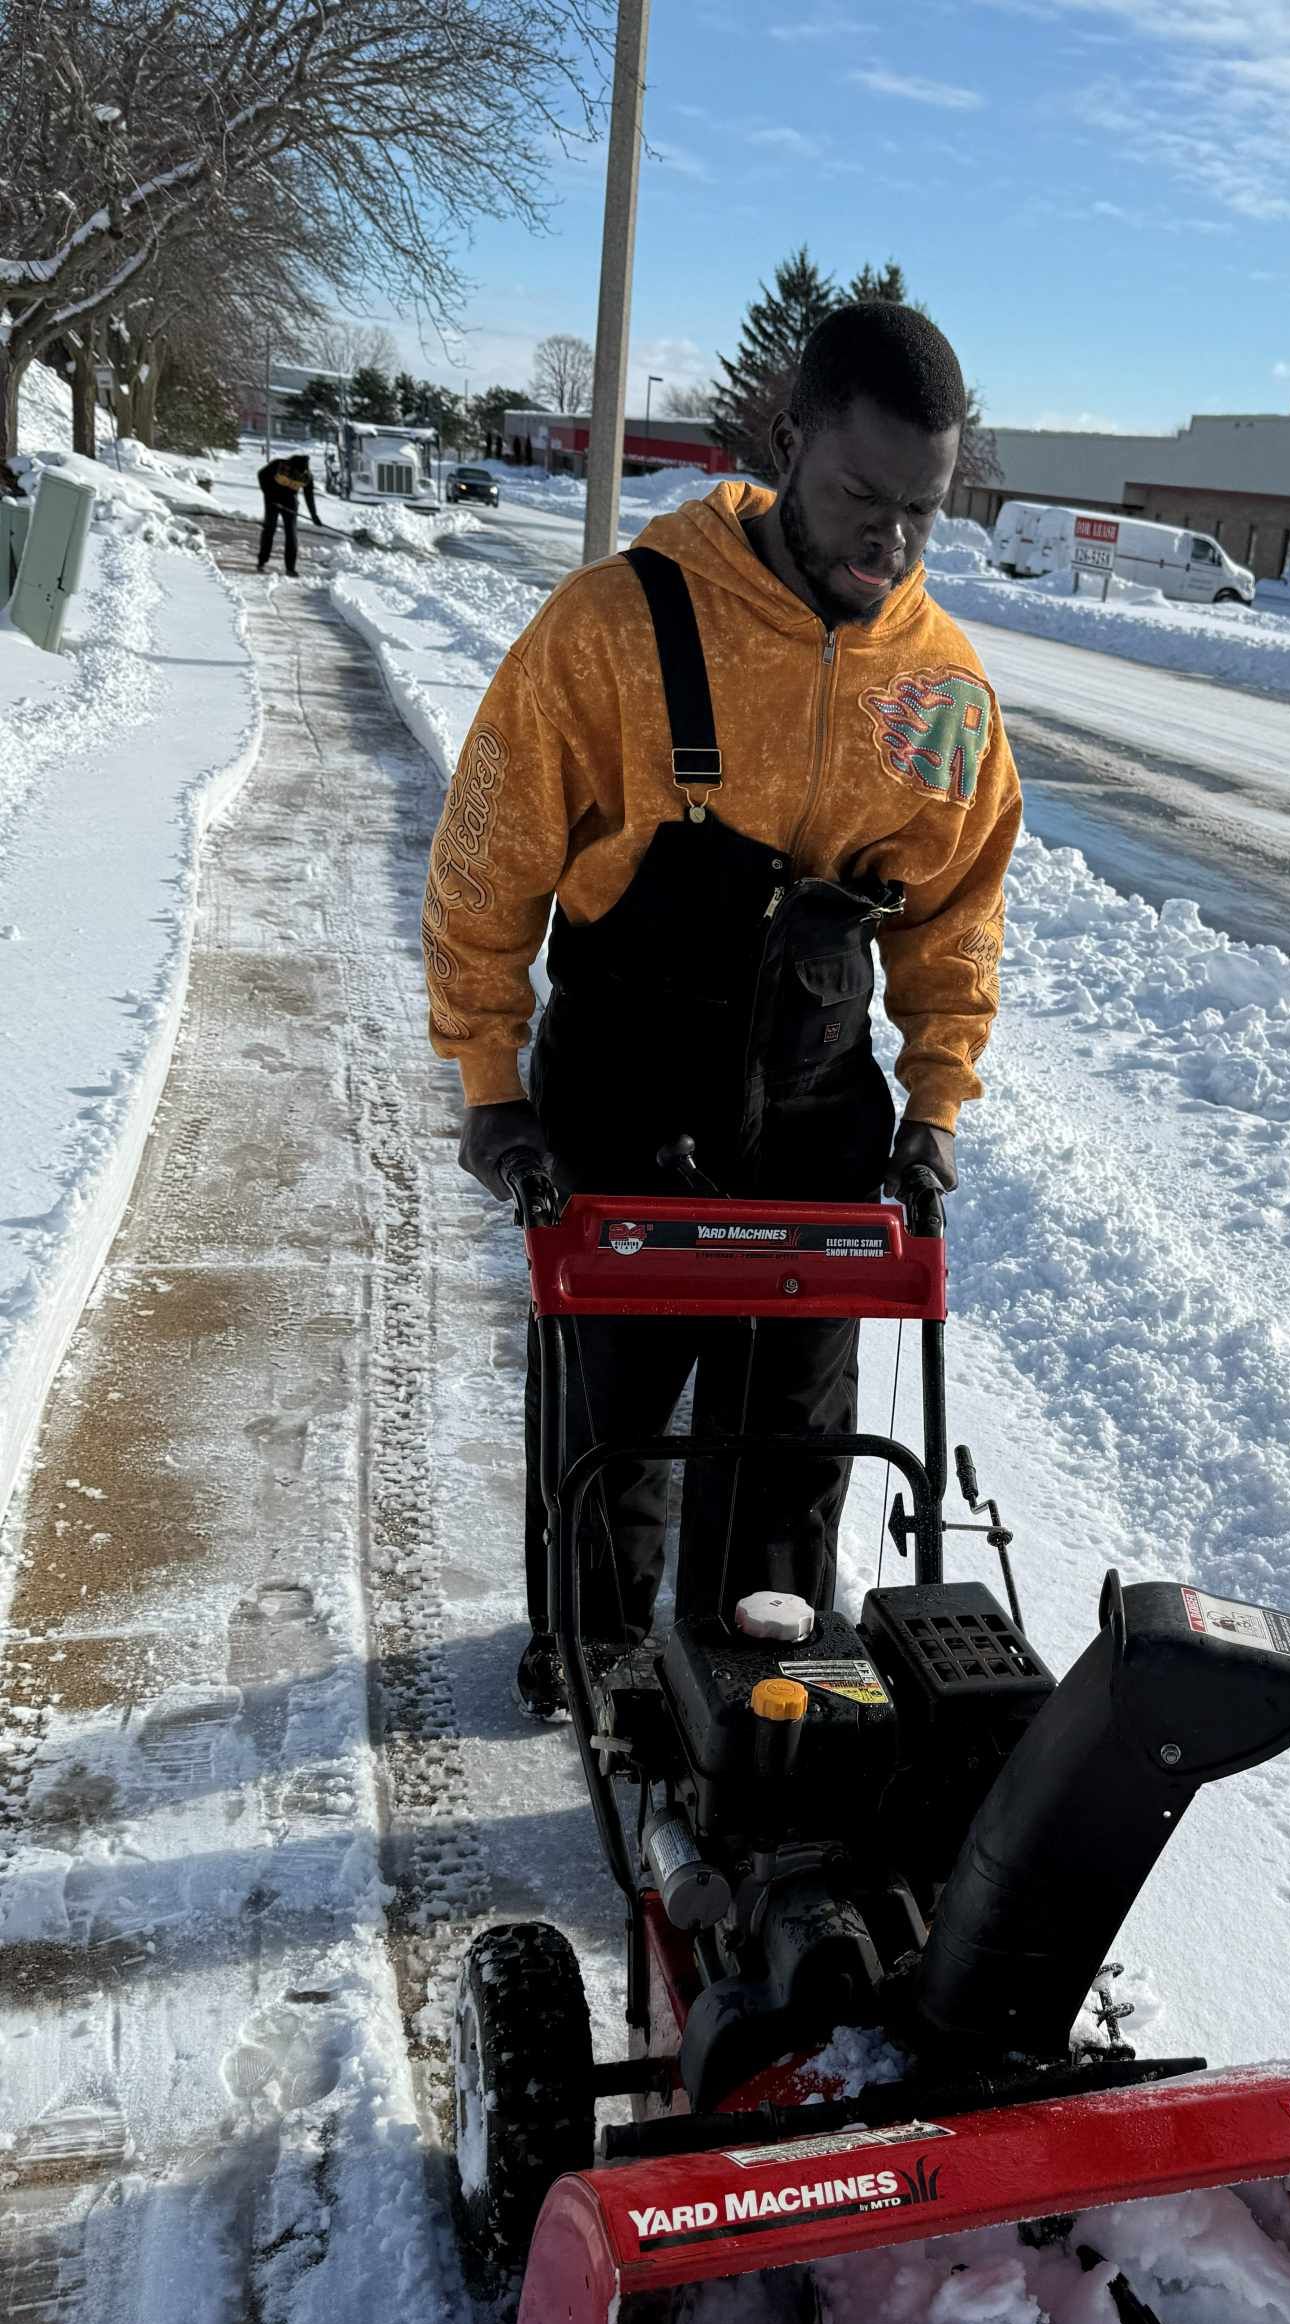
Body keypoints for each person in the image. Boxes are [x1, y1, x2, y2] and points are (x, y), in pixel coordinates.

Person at [420, 301, 1023, 1713]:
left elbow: (956, 913)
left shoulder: (942, 689)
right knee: (615, 1416)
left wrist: (935, 1101)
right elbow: (487, 864)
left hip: (815, 1102)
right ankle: (595, 1659)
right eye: (861, 496)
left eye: (923, 511)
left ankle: (760, 1687)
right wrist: (490, 1084)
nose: (890, 542)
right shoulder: (616, 629)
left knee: (794, 1437)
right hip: (627, 1080)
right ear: (787, 439)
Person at [257, 450, 322, 574]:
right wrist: (268, 494)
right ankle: (262, 561)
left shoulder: (307, 476)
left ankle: (290, 568)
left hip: (290, 502)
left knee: (291, 534)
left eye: (302, 472)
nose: (299, 474)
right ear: (292, 467)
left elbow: (309, 496)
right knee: (269, 529)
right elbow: (261, 475)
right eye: (297, 472)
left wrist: (314, 515)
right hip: (272, 499)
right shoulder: (279, 465)